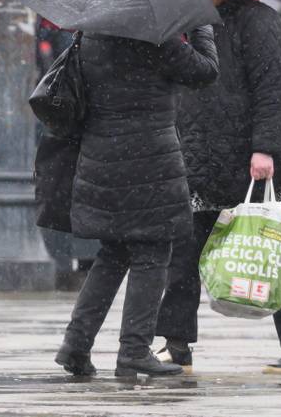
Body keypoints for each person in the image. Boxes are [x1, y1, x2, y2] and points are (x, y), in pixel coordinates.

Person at [156, 0, 281, 374]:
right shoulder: (193, 24)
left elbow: (274, 91)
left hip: (247, 162)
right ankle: (176, 344)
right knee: (184, 253)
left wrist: (265, 149)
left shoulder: (260, 23)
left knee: (273, 254)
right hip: (202, 158)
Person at [56, 25, 219, 378]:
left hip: (100, 155)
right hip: (149, 159)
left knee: (113, 252)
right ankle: (133, 349)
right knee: (153, 252)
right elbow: (205, 71)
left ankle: (76, 344)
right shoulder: (159, 37)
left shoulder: (91, 35)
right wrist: (200, 27)